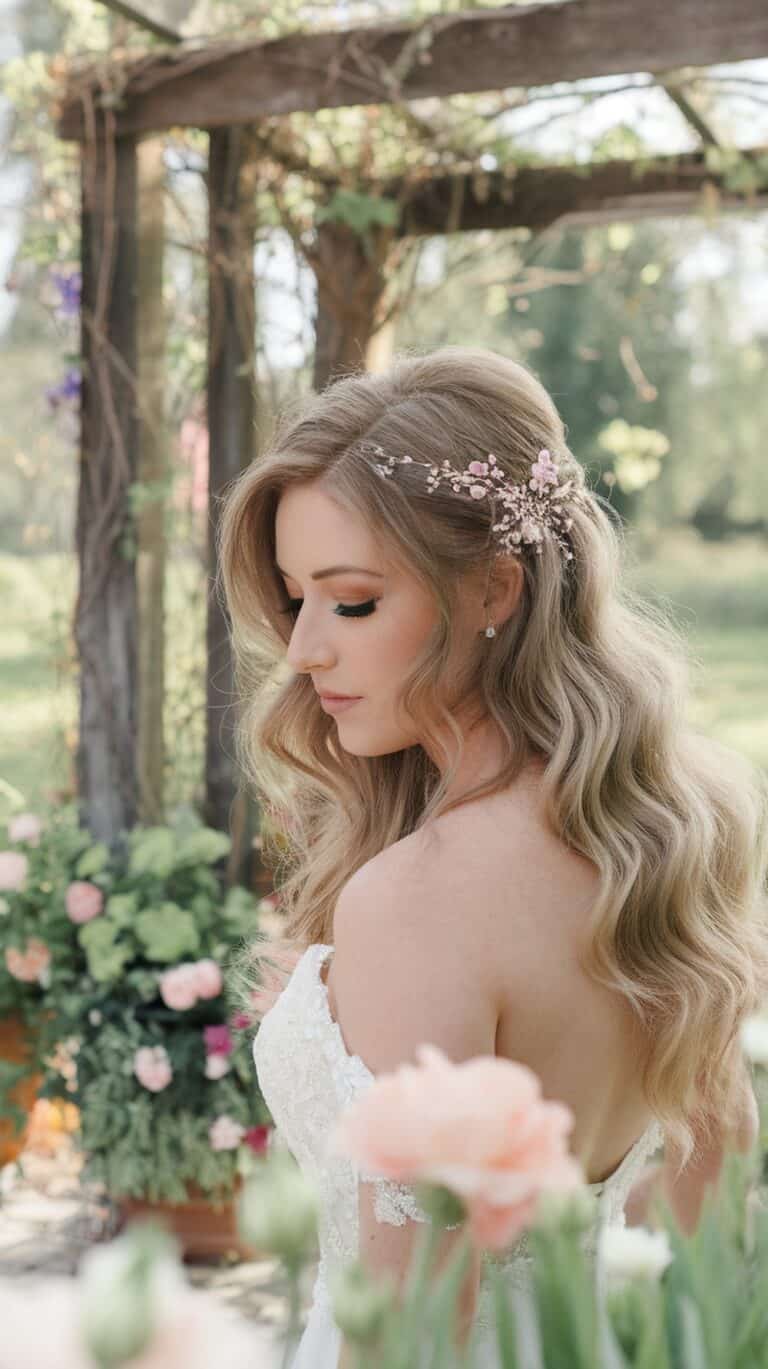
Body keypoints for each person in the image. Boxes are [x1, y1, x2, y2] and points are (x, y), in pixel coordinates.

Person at [218, 346, 768, 1368]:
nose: (302, 650)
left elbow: (412, 1335)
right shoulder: (665, 836)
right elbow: (712, 1236)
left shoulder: (416, 902)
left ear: (493, 588)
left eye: (353, 600)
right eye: (296, 597)